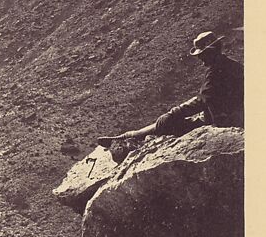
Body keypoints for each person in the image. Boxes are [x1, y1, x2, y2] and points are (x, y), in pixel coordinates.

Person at [97, 30, 243, 153]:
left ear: (212, 52)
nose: (201, 60)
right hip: (234, 115)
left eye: (203, 56)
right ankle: (129, 136)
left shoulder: (215, 72)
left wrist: (174, 112)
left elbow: (203, 99)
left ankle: (129, 137)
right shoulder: (233, 65)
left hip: (221, 121)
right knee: (174, 122)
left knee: (168, 123)